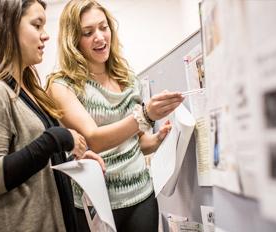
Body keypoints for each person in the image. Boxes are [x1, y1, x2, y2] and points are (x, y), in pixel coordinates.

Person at [0, 0, 105, 231]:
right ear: (7, 27)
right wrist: (57, 138)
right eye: (37, 25)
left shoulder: (25, 90)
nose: (45, 35)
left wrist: (71, 161)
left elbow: (31, 162)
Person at [46, 0, 184, 231]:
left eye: (104, 27)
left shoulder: (127, 78)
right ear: (73, 40)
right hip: (95, 207)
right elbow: (93, 139)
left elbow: (138, 143)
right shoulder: (62, 85)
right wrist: (144, 116)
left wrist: (157, 140)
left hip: (141, 198)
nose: (99, 37)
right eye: (88, 32)